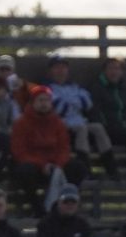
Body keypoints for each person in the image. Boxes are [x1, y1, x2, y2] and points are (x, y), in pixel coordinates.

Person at [11, 85, 88, 217]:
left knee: (78, 168)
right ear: (33, 103)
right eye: (40, 100)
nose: (44, 104)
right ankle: (38, 208)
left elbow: (64, 147)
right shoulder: (22, 123)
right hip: (33, 165)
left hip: (56, 165)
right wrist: (42, 165)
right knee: (24, 172)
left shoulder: (58, 123)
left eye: (47, 100)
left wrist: (57, 165)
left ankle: (67, 202)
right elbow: (19, 151)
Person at [44, 54, 116, 176]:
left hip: (79, 120)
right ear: (51, 70)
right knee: (81, 129)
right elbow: (57, 108)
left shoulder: (75, 86)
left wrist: (72, 102)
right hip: (59, 125)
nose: (60, 71)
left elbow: (87, 103)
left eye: (63, 67)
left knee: (98, 128)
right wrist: (73, 102)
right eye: (57, 67)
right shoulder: (47, 87)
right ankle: (85, 167)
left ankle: (111, 168)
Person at [88, 57, 126, 148]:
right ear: (104, 71)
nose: (114, 72)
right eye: (110, 68)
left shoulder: (125, 91)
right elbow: (94, 112)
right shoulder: (96, 89)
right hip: (107, 130)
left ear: (121, 72)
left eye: (117, 68)